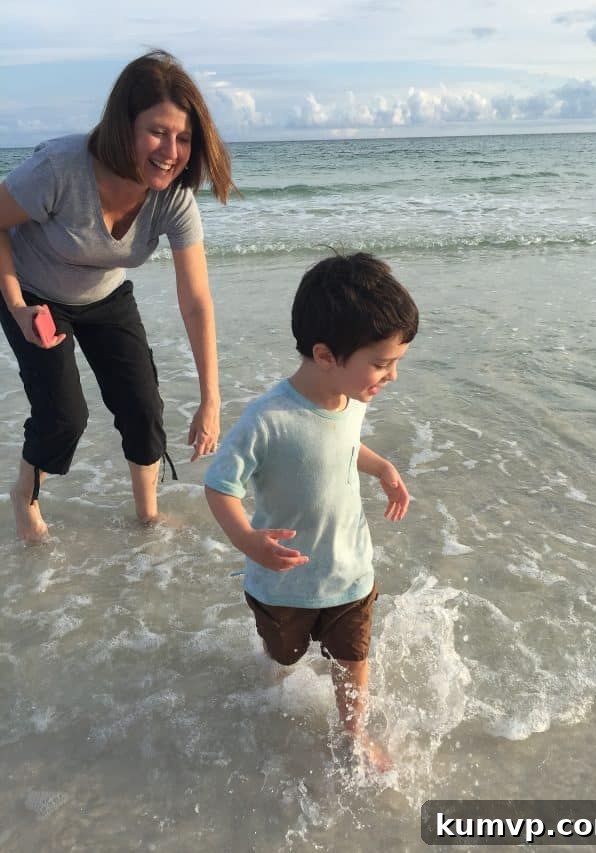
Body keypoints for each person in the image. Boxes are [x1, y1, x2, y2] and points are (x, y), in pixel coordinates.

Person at [0, 50, 235, 541]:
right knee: (64, 417)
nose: (170, 151)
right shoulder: (60, 168)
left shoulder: (173, 198)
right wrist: (18, 306)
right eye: (158, 131)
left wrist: (210, 399)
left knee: (144, 407)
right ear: (123, 125)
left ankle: (147, 513)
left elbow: (196, 300)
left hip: (104, 295)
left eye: (184, 138)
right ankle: (24, 494)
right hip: (34, 293)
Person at [204, 252, 419, 770]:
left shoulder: (353, 396)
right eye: (382, 362)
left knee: (353, 660)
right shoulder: (268, 419)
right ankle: (272, 680)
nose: (390, 376)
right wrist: (248, 541)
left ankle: (353, 733)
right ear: (326, 355)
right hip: (284, 584)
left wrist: (382, 467)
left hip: (349, 572)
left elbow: (343, 447)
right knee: (283, 659)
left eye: (396, 363)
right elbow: (219, 487)